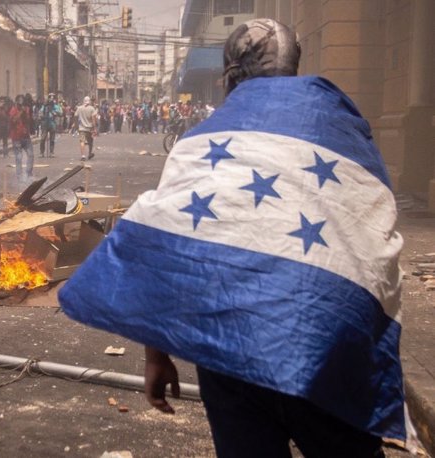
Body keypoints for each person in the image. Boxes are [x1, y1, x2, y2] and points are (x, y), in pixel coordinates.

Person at [60, 18, 407, 458]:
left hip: (233, 349)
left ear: (231, 74)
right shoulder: (341, 126)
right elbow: (371, 230)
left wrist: (157, 354)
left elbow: (168, 246)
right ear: (294, 65)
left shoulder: (203, 140)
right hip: (328, 340)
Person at [8, 94, 33, 185]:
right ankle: (19, 175)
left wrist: (25, 112)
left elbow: (28, 121)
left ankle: (29, 173)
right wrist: (20, 112)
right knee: (19, 157)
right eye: (19, 102)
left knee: (30, 155)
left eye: (22, 101)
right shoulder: (13, 110)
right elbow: (13, 120)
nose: (21, 104)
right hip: (16, 137)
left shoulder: (26, 109)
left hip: (26, 136)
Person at [71, 96, 97, 161]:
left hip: (81, 128)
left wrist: (76, 125)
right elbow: (93, 119)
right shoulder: (92, 108)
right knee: (90, 142)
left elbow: (75, 116)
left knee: (82, 141)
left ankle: (83, 156)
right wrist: (94, 128)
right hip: (89, 128)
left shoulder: (79, 108)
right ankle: (90, 153)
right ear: (89, 101)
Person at [39, 93, 62, 158]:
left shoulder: (56, 106)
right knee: (43, 138)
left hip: (52, 123)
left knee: (52, 139)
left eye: (53, 98)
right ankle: (41, 152)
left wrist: (55, 112)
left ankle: (51, 152)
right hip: (45, 123)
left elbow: (60, 113)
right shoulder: (44, 106)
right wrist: (42, 116)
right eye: (50, 97)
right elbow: (40, 113)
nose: (51, 99)